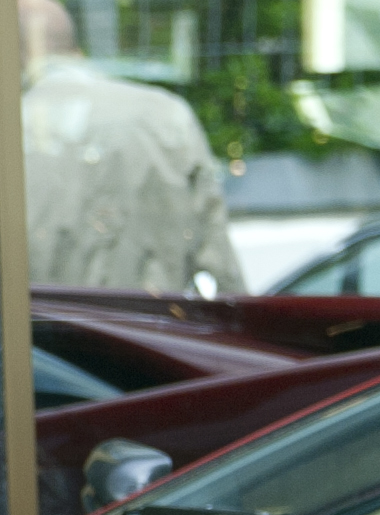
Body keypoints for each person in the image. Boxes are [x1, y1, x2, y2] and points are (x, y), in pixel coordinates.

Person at [18, 0, 249, 296]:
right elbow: (220, 264)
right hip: (152, 321)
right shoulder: (164, 113)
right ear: (76, 49)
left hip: (39, 324)